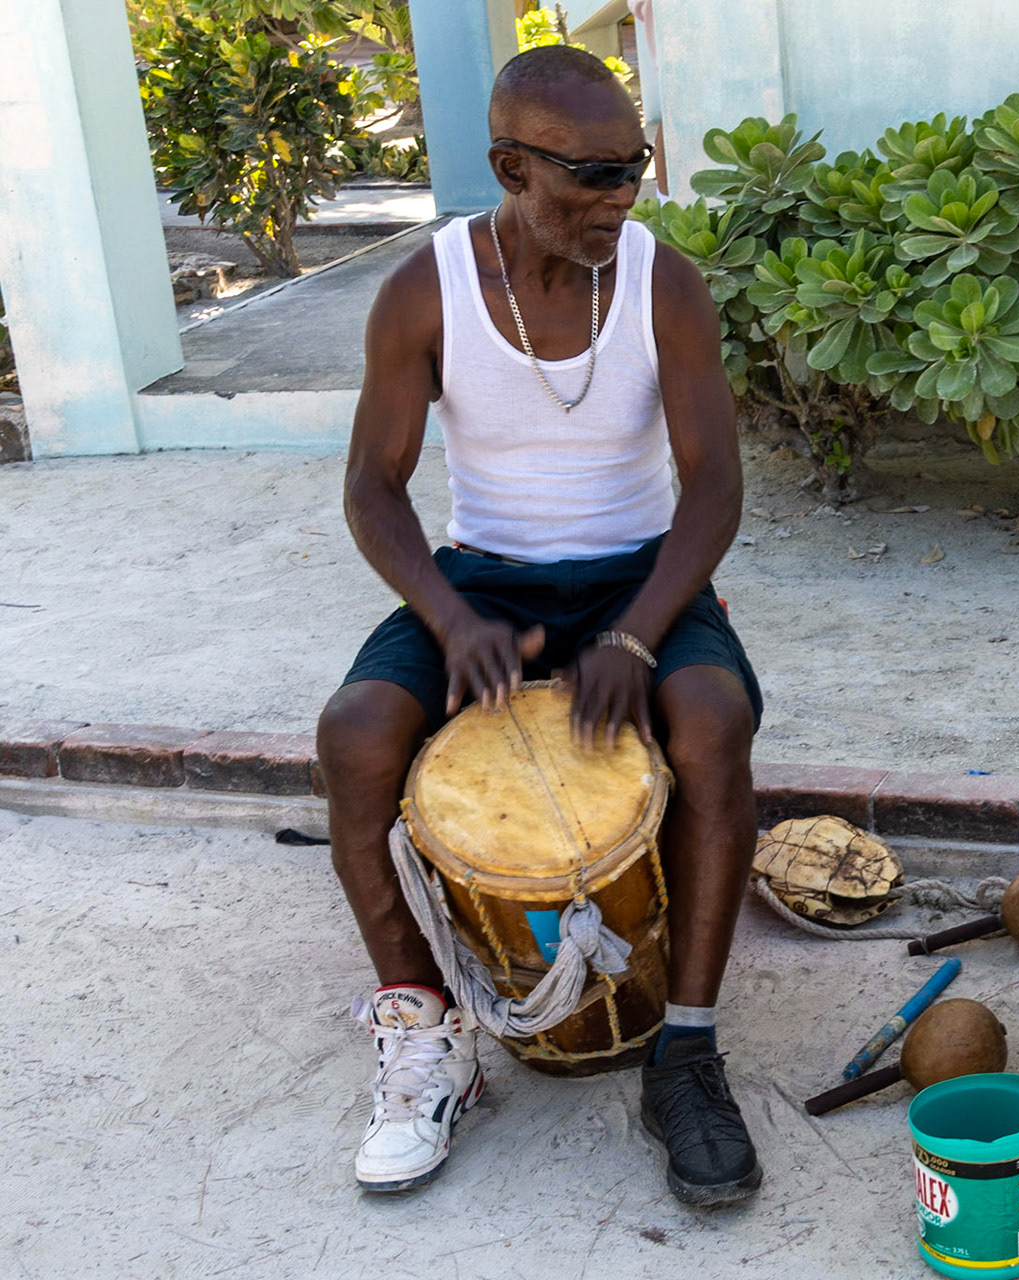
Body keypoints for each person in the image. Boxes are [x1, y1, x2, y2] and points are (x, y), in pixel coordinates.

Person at [315, 46, 763, 1206]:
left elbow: (713, 486)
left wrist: (636, 634)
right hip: (487, 580)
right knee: (357, 734)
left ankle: (689, 1051)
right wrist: (452, 615)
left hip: (636, 578)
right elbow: (373, 484)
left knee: (712, 718)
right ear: (511, 166)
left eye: (636, 170)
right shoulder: (428, 289)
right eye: (592, 176)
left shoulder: (665, 283)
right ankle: (428, 1037)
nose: (621, 197)